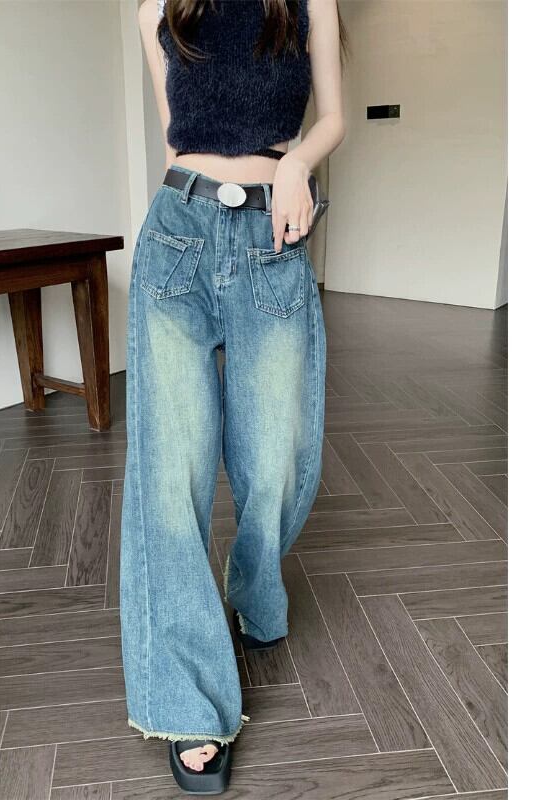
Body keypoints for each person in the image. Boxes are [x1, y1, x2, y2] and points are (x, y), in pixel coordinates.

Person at [120, 0, 346, 792]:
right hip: (177, 238)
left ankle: (252, 586)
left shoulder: (308, 2)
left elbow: (333, 118)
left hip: (272, 240)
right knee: (170, 472)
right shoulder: (158, 9)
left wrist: (295, 164)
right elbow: (176, 138)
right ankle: (187, 700)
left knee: (276, 457)